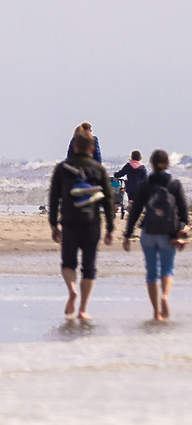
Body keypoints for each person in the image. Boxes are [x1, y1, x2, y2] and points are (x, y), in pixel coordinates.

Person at [49, 132, 115, 321]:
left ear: (75, 146)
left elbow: (54, 198)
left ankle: (72, 290)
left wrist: (53, 224)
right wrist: (110, 227)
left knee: (68, 263)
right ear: (92, 149)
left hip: (69, 221)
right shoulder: (99, 169)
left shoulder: (62, 169)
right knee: (89, 267)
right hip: (92, 223)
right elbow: (108, 200)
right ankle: (83, 309)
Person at [123, 148, 188, 322]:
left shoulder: (146, 184)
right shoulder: (175, 184)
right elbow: (184, 213)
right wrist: (182, 234)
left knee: (151, 272)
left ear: (151, 164)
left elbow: (136, 211)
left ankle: (156, 312)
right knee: (167, 270)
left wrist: (127, 234)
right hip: (168, 234)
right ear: (168, 164)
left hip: (148, 233)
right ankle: (165, 296)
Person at [113, 151, 148, 220]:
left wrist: (115, 174)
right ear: (140, 158)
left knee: (131, 198)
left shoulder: (128, 166)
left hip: (129, 187)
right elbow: (145, 178)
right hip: (138, 188)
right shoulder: (142, 167)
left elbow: (120, 173)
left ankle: (131, 210)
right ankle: (134, 212)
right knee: (137, 200)